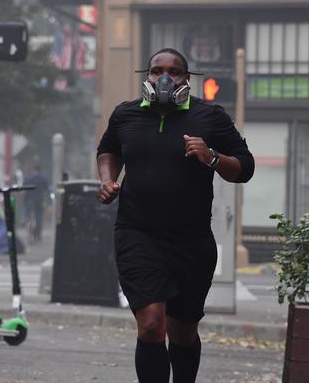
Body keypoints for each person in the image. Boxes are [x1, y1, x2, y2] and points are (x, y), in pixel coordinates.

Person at [96, 48, 254, 383]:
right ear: (147, 76)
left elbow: (245, 167)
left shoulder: (209, 116)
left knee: (182, 333)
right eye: (156, 71)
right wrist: (108, 179)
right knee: (152, 325)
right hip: (138, 234)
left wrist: (211, 157)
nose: (165, 77)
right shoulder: (125, 114)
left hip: (191, 242)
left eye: (175, 71)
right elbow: (108, 149)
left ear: (187, 79)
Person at [23, 163, 49, 243]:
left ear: (33, 169)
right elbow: (46, 187)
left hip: (29, 200)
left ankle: (28, 226)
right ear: (40, 170)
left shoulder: (28, 177)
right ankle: (38, 233)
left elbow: (24, 188)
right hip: (39, 200)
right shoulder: (42, 177)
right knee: (38, 216)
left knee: (28, 214)